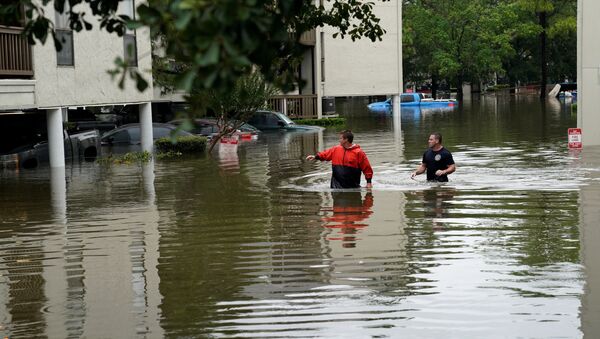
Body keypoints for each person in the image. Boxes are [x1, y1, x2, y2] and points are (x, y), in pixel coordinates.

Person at [306, 130, 373, 188]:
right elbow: (326, 154)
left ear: (346, 139)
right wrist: (315, 157)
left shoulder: (359, 153)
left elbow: (367, 168)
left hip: (352, 188)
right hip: (335, 187)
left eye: (340, 138)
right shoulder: (336, 149)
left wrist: (369, 183)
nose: (339, 140)